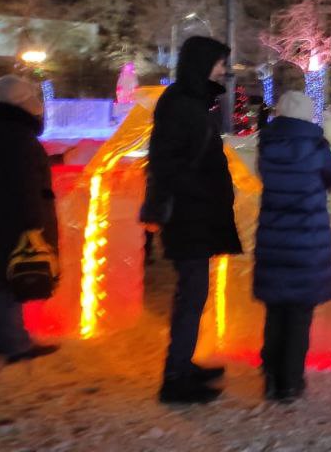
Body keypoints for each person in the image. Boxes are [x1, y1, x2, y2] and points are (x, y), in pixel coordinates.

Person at [139, 36, 242, 404]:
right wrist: (194, 195)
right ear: (201, 63)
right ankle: (175, 378)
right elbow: (167, 162)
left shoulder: (194, 101)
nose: (223, 69)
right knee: (191, 295)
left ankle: (183, 365)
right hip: (188, 212)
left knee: (194, 295)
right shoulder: (182, 104)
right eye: (218, 62)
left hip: (198, 210)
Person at [254, 91, 331, 401]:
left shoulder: (266, 145)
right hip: (307, 241)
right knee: (298, 314)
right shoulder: (316, 147)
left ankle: (270, 377)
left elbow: (264, 177)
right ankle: (290, 383)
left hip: (273, 239)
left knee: (275, 310)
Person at [0, 76, 60, 364]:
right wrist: (34, 225)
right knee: (8, 282)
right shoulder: (18, 136)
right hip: (13, 220)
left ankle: (9, 339)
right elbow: (25, 185)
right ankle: (16, 344)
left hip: (5, 216)